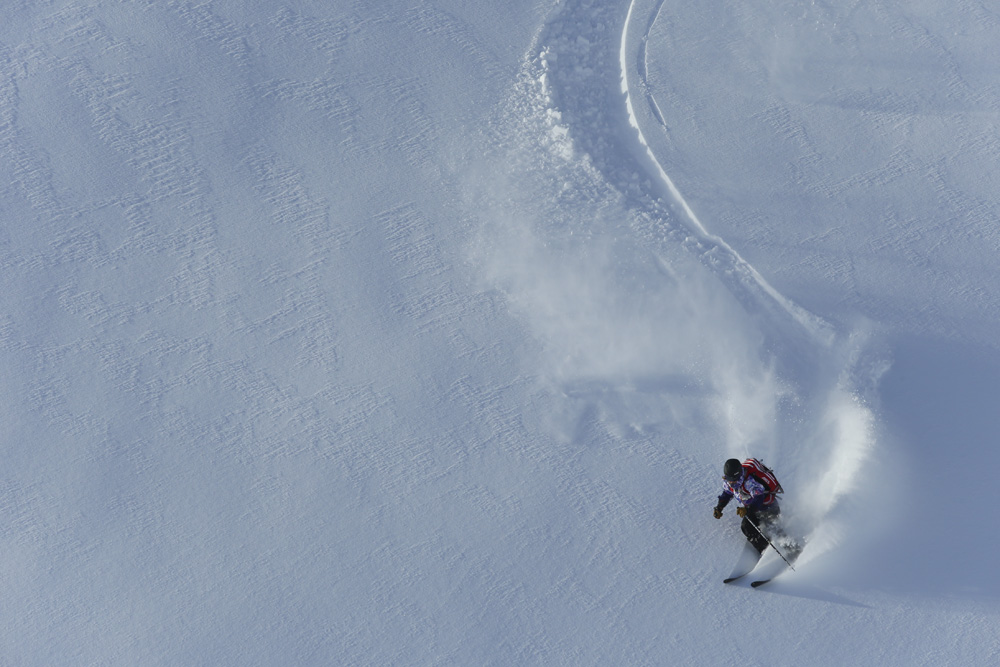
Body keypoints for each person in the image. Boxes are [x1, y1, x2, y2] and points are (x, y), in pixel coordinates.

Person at [713, 458, 783, 554]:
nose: (731, 482)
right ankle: (766, 551)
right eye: (728, 479)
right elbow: (727, 493)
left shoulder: (749, 482)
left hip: (768, 508)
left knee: (772, 528)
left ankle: (788, 547)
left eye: (733, 479)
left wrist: (747, 509)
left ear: (739, 475)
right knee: (747, 528)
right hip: (753, 510)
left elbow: (759, 497)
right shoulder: (729, 482)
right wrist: (719, 507)